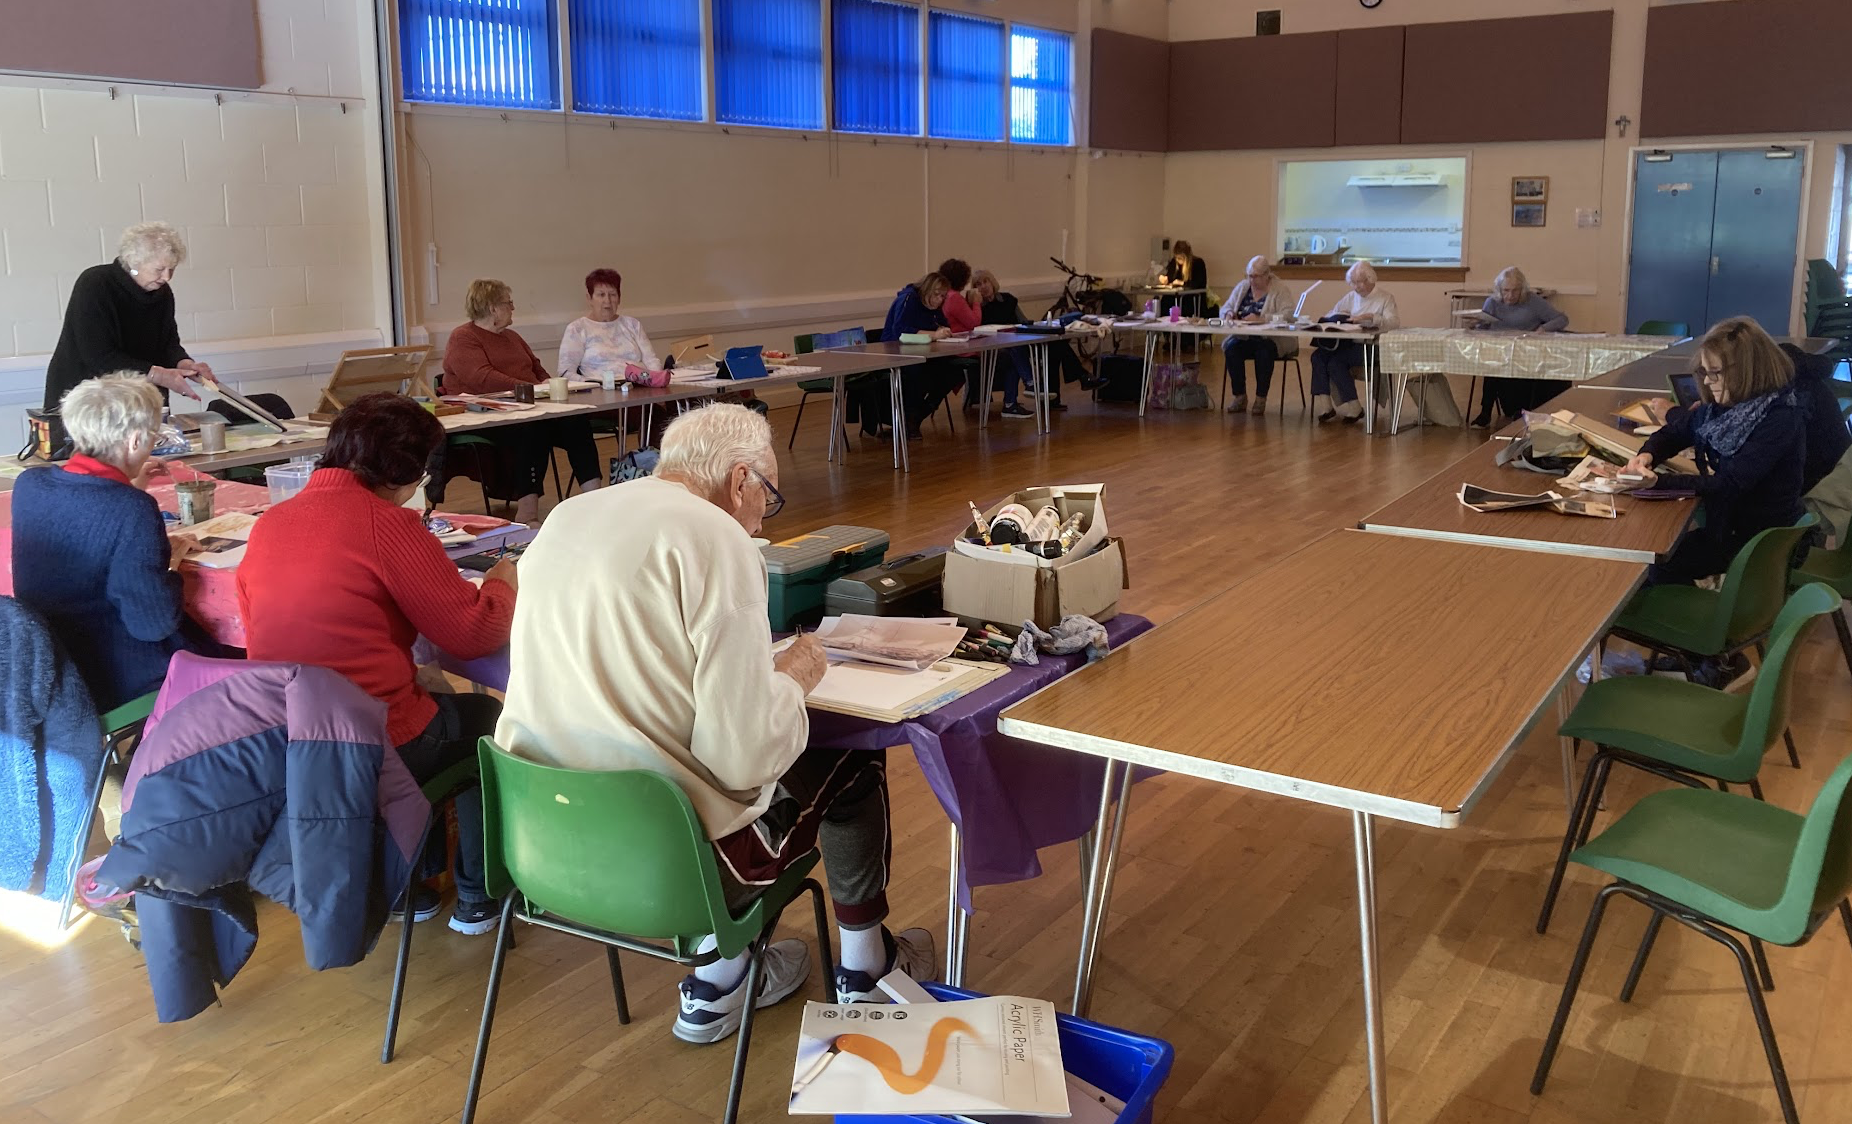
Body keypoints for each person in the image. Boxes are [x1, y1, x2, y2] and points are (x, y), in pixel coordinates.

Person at [496, 404, 932, 1043]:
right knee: (851, 760)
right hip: (670, 865)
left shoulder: (568, 515)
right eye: (768, 496)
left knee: (669, 754)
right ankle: (865, 969)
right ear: (740, 480)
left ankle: (720, 979)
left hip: (544, 845)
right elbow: (742, 755)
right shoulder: (717, 535)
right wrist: (794, 676)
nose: (764, 517)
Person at [237, 393, 518, 935]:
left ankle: (414, 884)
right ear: (403, 473)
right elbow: (474, 634)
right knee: (486, 721)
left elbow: (256, 634)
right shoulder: (387, 524)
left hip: (293, 738)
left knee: (429, 704)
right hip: (374, 737)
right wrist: (502, 583)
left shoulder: (272, 521)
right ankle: (479, 893)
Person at [11, 374, 196, 711]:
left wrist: (130, 487)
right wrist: (170, 568)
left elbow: (84, 515)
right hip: (111, 673)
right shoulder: (132, 509)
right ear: (136, 440)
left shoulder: (30, 484)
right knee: (234, 659)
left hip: (46, 664)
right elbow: (153, 625)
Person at [1624, 317, 1804, 590]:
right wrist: (1648, 455)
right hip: (1731, 528)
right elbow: (1675, 433)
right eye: (1705, 372)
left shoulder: (1780, 419)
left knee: (1652, 567)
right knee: (1653, 558)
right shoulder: (1725, 409)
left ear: (1746, 370)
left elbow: (1729, 483)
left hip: (1760, 540)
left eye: (1715, 373)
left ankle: (1704, 607)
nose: (1708, 381)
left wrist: (1659, 482)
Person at [442, 279, 603, 523]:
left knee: (575, 421)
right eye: (508, 303)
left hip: (528, 405)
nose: (513, 308)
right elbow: (482, 378)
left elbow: (536, 368)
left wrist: (547, 386)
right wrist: (528, 389)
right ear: (493, 308)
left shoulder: (512, 337)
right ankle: (527, 511)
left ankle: (595, 499)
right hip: (485, 414)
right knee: (532, 427)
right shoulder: (463, 337)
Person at [43, 222, 215, 412]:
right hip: (89, 399)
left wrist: (186, 365)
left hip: (137, 397)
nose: (167, 277)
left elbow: (168, 345)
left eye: (172, 269)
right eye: (159, 269)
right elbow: (99, 356)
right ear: (134, 262)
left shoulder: (162, 293)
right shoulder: (95, 283)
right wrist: (158, 375)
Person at [858, 272, 962, 440]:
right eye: (937, 295)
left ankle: (918, 415)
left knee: (954, 372)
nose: (939, 300)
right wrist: (934, 335)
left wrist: (944, 330)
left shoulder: (934, 306)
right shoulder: (909, 299)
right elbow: (901, 331)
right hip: (896, 353)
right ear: (927, 290)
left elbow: (942, 322)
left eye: (943, 296)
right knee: (918, 374)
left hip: (923, 352)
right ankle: (910, 419)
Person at [1469, 266, 1569, 428]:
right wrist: (1475, 325)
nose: (1510, 296)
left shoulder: (1533, 301)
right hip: (1499, 353)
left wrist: (1543, 328)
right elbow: (1483, 329)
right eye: (1506, 291)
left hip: (1526, 354)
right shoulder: (1492, 302)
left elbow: (1562, 319)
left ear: (1522, 289)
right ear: (1499, 290)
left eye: (1515, 291)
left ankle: (1523, 410)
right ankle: (1485, 412)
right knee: (1492, 365)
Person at [1309, 262, 1401, 424]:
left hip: (1373, 347)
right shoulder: (1350, 297)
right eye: (1353, 283)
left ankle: (1354, 406)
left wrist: (1371, 318)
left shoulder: (1385, 298)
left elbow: (1394, 323)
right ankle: (1325, 405)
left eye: (1360, 282)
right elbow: (1331, 313)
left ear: (1370, 279)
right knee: (1318, 356)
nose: (1356, 287)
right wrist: (1339, 318)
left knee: (1336, 362)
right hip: (1348, 344)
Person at [1217, 256, 1297, 414]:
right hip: (1244, 336)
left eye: (1256, 276)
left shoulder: (1279, 289)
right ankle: (1239, 396)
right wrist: (1228, 313)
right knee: (1231, 349)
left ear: (1267, 275)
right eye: (1249, 276)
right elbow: (1225, 307)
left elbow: (1288, 315)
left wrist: (1262, 319)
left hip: (1271, 338)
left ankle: (1261, 398)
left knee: (1264, 352)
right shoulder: (1243, 287)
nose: (1251, 280)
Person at [557, 268, 660, 384]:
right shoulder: (577, 329)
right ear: (589, 299)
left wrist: (656, 380)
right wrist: (591, 384)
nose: (607, 301)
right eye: (601, 295)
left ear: (619, 298)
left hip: (639, 386)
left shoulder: (633, 325)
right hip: (599, 389)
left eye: (612, 295)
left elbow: (652, 361)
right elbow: (565, 372)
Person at [1158, 240, 1209, 317]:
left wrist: (1182, 283)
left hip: (1191, 298)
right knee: (1166, 299)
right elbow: (1170, 278)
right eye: (1177, 258)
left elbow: (1198, 284)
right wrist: (1165, 280)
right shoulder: (1174, 263)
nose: (1178, 260)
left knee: (1184, 301)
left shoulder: (1198, 263)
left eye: (1181, 258)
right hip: (1175, 296)